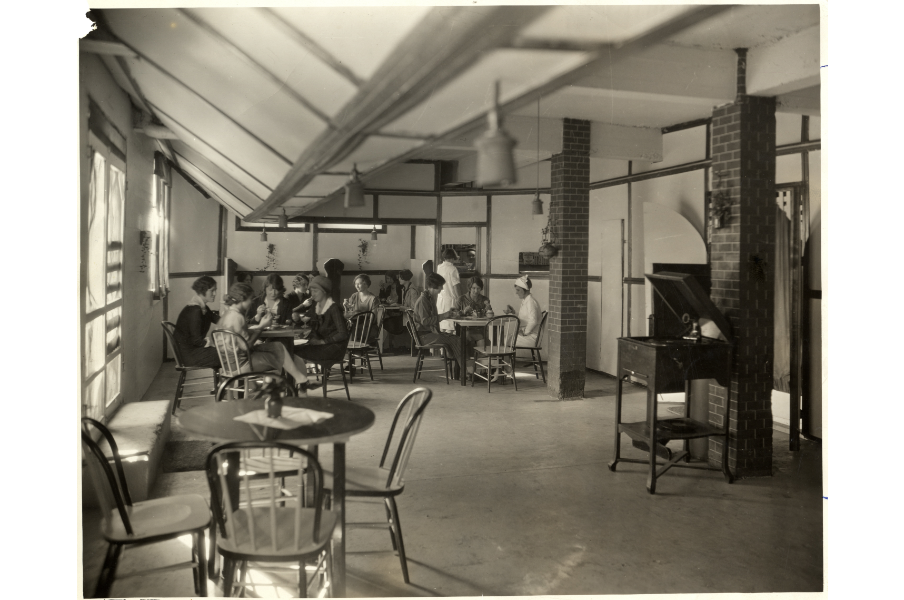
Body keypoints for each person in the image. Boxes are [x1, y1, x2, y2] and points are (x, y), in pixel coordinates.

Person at [216, 282, 319, 395]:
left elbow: (237, 337)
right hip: (241, 365)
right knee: (278, 356)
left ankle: (301, 380)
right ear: (242, 298)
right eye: (250, 299)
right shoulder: (238, 317)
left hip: (229, 364)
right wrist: (261, 327)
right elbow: (247, 347)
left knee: (277, 346)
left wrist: (257, 327)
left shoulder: (227, 315)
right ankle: (280, 388)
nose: (251, 302)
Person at [413, 273, 468, 376]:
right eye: (440, 286)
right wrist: (444, 315)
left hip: (428, 334)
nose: (442, 289)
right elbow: (425, 321)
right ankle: (465, 372)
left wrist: (447, 313)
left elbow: (432, 317)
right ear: (434, 286)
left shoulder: (429, 298)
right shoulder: (423, 300)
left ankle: (461, 370)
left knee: (455, 339)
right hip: (424, 337)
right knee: (456, 340)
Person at [293, 276, 349, 364]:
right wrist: (297, 320)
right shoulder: (316, 306)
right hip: (321, 345)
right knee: (291, 349)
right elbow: (305, 322)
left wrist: (321, 342)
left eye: (315, 291)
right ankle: (297, 376)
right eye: (311, 291)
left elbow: (343, 334)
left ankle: (297, 377)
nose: (312, 294)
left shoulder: (334, 308)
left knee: (292, 352)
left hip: (334, 348)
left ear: (324, 292)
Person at [173, 276, 221, 368]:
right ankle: (230, 380)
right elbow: (197, 341)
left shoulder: (202, 307)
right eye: (212, 290)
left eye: (216, 290)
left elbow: (218, 320)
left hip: (192, 351)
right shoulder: (195, 310)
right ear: (203, 291)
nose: (215, 293)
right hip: (188, 355)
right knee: (227, 353)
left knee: (225, 351)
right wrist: (212, 345)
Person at [504, 274, 542, 348]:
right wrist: (514, 312)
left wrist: (524, 332)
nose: (516, 292)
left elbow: (533, 321)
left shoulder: (531, 302)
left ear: (525, 290)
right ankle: (507, 358)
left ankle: (506, 359)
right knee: (504, 338)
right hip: (529, 335)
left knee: (503, 339)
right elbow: (525, 317)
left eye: (518, 290)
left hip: (531, 337)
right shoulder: (526, 300)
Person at [454, 276, 490, 345]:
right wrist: (463, 312)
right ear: (469, 288)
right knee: (467, 337)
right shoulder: (461, 299)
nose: (476, 291)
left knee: (483, 342)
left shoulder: (484, 299)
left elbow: (489, 315)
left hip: (480, 330)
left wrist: (488, 309)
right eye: (474, 288)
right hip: (465, 330)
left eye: (478, 288)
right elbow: (453, 314)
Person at [436, 248, 463, 333]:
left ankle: (442, 346)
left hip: (440, 300)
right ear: (452, 258)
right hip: (450, 301)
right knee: (450, 329)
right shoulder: (453, 269)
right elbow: (456, 286)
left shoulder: (439, 267)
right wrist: (461, 299)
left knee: (442, 327)